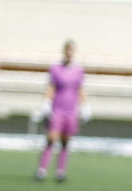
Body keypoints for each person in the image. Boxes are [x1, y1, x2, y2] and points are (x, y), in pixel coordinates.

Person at [34, 40, 90, 183]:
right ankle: (42, 170)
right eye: (68, 50)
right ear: (64, 51)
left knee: (66, 141)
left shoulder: (78, 71)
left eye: (72, 51)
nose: (69, 53)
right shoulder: (56, 69)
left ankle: (60, 171)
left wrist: (85, 106)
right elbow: (51, 87)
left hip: (71, 110)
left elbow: (80, 89)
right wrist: (46, 103)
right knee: (52, 139)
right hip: (58, 108)